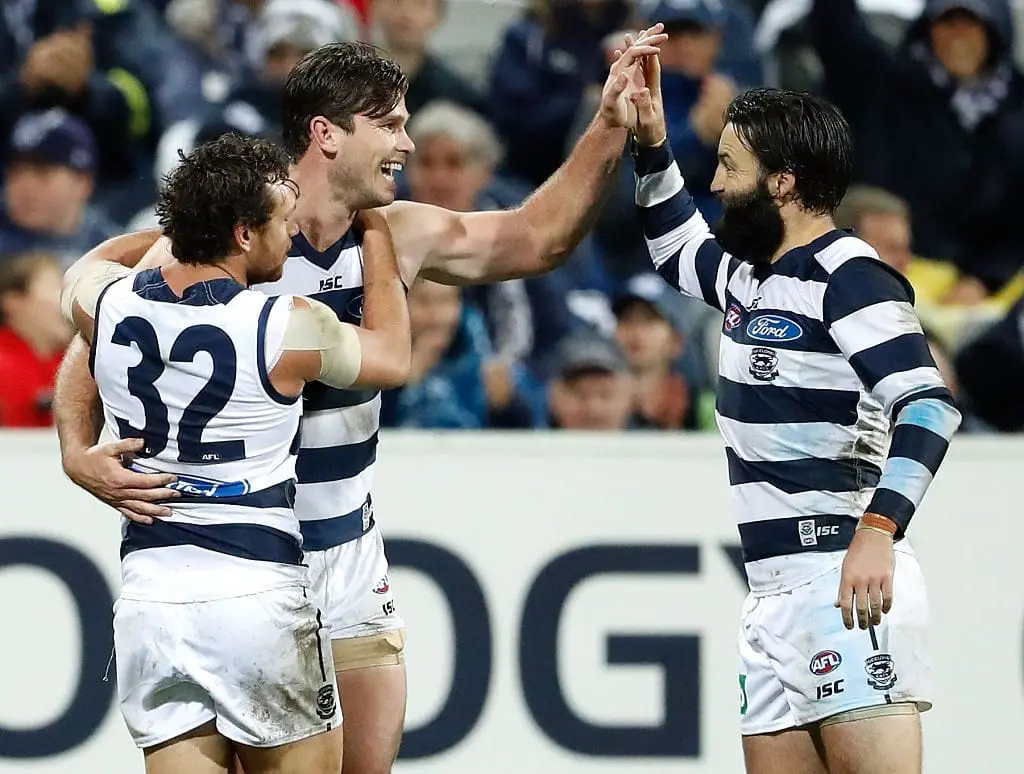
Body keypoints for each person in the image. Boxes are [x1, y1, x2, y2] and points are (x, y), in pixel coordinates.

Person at [52, 32, 667, 774]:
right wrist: (74, 452)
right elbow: (92, 346)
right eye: (393, 124)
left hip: (344, 549)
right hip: (247, 556)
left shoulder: (396, 236)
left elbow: (537, 241)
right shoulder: (232, 242)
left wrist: (606, 127)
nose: (408, 143)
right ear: (328, 134)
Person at [628, 63, 962, 774]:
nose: (715, 185)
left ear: (782, 181)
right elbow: (672, 246)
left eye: (728, 166)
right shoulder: (750, 274)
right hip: (771, 593)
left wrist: (879, 529)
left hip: (841, 579)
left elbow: (929, 406)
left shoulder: (849, 275)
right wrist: (651, 141)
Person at [59, 132, 411, 774]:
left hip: (153, 603)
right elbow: (391, 357)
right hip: (256, 596)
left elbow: (87, 266)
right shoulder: (285, 325)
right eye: (282, 220)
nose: (291, 234)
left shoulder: (108, 302)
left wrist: (74, 449)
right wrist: (381, 243)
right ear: (244, 234)